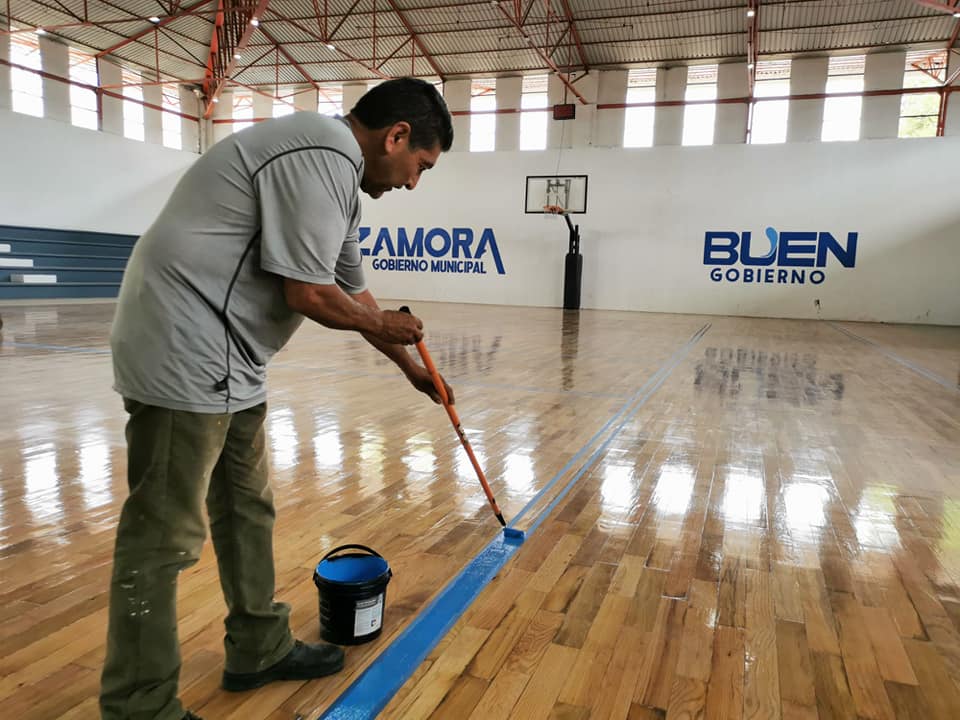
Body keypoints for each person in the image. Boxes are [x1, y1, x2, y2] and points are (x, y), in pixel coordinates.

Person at [100, 77, 455, 720]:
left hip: (232, 357)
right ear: (395, 136)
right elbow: (309, 295)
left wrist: (409, 368)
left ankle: (258, 648)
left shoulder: (339, 182)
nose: (412, 183)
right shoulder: (320, 152)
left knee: (246, 509)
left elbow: (352, 290)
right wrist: (385, 329)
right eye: (419, 166)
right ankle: (138, 704)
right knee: (163, 535)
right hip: (187, 352)